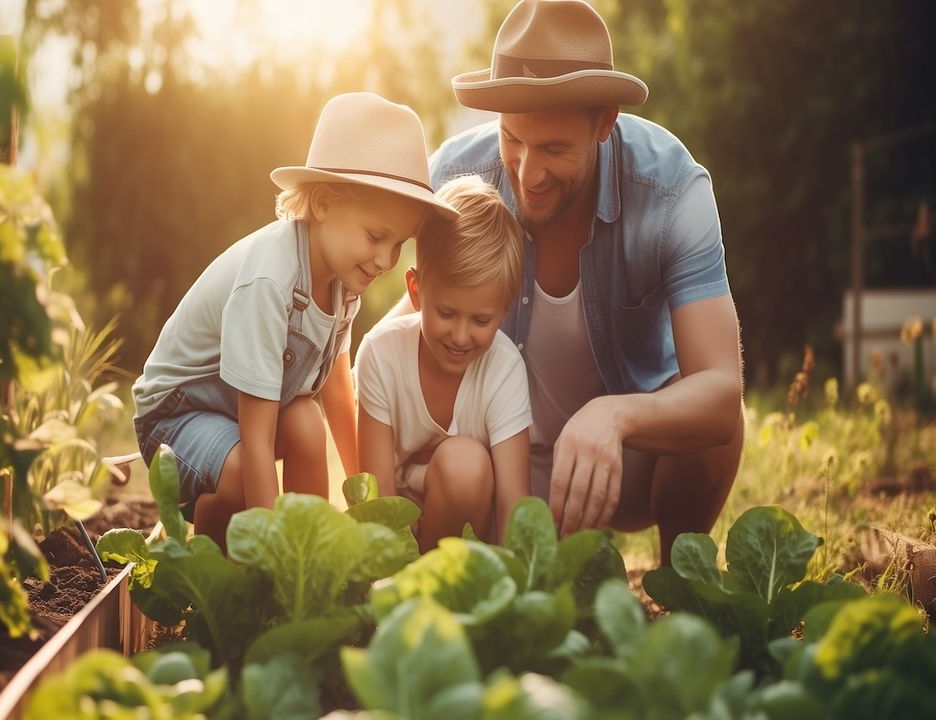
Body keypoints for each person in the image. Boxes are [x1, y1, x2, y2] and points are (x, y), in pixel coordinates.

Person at [420, 0, 744, 564]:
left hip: (625, 465)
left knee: (720, 434)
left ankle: (681, 582)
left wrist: (614, 415)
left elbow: (721, 393)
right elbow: (400, 328)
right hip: (497, 464)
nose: (526, 173)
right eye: (513, 140)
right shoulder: (453, 180)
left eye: (554, 149)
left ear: (604, 122)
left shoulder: (673, 193)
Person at [132, 92, 457, 552]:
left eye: (399, 243)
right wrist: (274, 559)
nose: (385, 259)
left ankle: (311, 553)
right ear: (322, 203)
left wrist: (372, 505)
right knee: (246, 469)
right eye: (376, 236)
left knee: (306, 420)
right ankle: (218, 552)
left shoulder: (343, 280)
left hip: (235, 420)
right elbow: (257, 437)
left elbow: (338, 393)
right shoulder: (271, 281)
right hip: (176, 415)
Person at [356, 175, 531, 550]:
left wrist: (516, 592)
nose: (461, 336)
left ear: (504, 310)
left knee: (464, 463)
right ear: (416, 291)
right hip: (400, 536)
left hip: (466, 544)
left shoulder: (504, 368)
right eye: (447, 313)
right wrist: (387, 562)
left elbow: (514, 504)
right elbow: (377, 497)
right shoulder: (380, 353)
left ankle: (450, 596)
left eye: (481, 320)